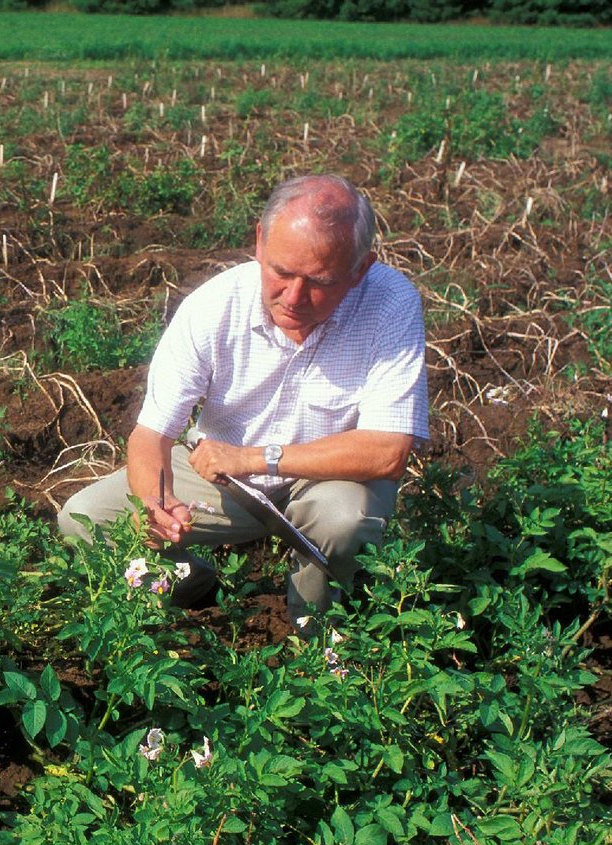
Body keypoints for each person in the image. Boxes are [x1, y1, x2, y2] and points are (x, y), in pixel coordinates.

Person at [56, 174, 428, 627]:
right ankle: (192, 584)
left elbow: (387, 452)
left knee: (342, 520)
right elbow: (152, 434)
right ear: (259, 241)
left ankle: (316, 641)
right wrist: (155, 503)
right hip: (225, 482)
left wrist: (253, 457)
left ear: (360, 269)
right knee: (85, 518)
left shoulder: (389, 304)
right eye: (282, 272)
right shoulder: (214, 306)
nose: (293, 297)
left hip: (329, 478)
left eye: (319, 281)